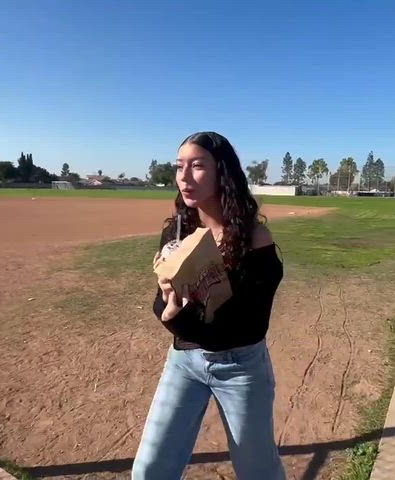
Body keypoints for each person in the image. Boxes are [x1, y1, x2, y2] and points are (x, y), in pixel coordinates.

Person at [132, 132, 286, 479]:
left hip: (240, 367)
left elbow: (245, 325)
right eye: (178, 167)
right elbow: (161, 302)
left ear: (223, 173)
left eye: (197, 166)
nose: (183, 177)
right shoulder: (177, 231)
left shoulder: (255, 239)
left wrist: (176, 319)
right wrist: (168, 308)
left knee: (257, 472)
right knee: (149, 469)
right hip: (184, 362)